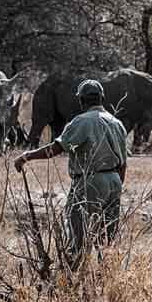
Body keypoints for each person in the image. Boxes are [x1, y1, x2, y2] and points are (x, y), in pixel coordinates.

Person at [14, 79, 127, 268]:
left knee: (78, 236)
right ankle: (106, 278)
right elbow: (123, 163)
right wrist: (115, 187)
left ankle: (73, 278)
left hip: (90, 182)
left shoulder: (82, 122)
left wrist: (27, 156)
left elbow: (57, 148)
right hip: (114, 181)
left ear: (81, 101)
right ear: (102, 98)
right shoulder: (116, 123)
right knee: (107, 239)